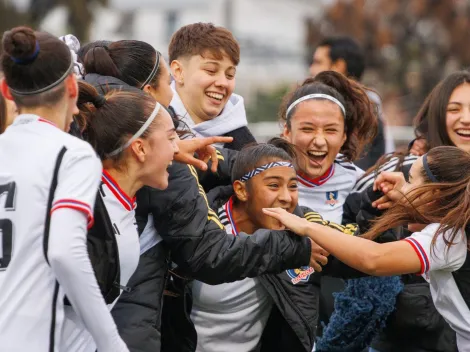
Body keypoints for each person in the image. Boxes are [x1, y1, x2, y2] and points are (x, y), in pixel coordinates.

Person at [263, 145, 470, 352]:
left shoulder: (449, 238)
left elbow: (373, 259)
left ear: (433, 193)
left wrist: (307, 226)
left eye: (411, 180)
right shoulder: (457, 231)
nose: (403, 186)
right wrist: (405, 197)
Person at [189, 141, 388, 352]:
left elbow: (361, 249)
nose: (286, 198)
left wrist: (376, 208)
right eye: (274, 185)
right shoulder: (202, 223)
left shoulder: (302, 224)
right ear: (241, 190)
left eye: (293, 186)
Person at [0, 26, 127, 351]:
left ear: (6, 89)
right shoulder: (71, 153)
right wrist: (111, 343)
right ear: (73, 85)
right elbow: (65, 253)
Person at [168, 22, 256, 150]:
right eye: (211, 70)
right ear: (178, 71)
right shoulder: (146, 127)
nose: (223, 83)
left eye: (230, 75)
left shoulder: (247, 148)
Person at [309, 36, 392, 169]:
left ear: (338, 66)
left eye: (318, 62)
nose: (312, 70)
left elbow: (359, 168)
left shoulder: (363, 112)